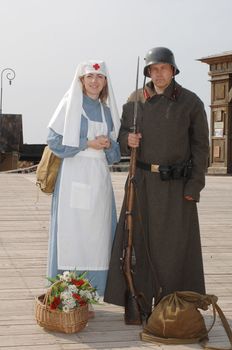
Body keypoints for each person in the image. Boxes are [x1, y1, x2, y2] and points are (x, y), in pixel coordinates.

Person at [104, 47, 209, 319]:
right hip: (141, 184)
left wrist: (194, 187)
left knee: (174, 248)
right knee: (136, 243)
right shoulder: (134, 100)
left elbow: (201, 149)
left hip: (176, 186)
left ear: (173, 70)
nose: (159, 73)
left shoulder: (191, 102)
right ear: (148, 72)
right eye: (154, 69)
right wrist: (128, 140)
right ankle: (137, 306)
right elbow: (122, 137)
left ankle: (174, 308)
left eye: (164, 68)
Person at [46, 60, 121, 298]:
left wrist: (109, 145)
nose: (94, 81)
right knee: (72, 234)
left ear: (105, 82)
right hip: (73, 177)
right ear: (81, 80)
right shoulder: (69, 106)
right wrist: (87, 143)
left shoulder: (108, 112)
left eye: (99, 77)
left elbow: (115, 156)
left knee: (97, 235)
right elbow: (54, 141)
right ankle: (68, 293)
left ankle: (93, 294)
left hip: (98, 180)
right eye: (90, 77)